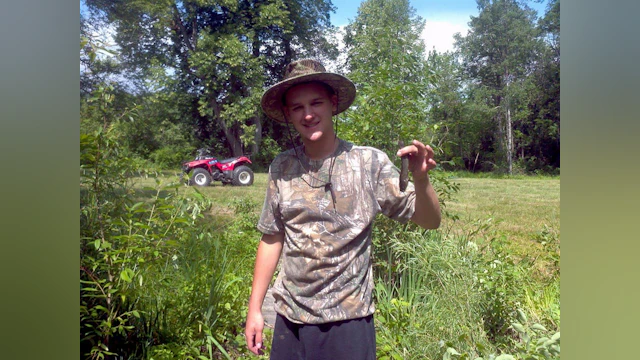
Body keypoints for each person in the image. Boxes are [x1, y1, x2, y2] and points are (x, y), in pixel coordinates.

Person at [244, 59, 441, 359]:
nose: (308, 114)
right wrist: (255, 309)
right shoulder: (282, 167)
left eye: (316, 103)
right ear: (287, 113)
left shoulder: (368, 163)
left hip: (348, 323)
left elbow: (429, 220)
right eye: (297, 107)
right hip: (290, 320)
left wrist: (421, 178)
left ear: (333, 104)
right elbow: (272, 237)